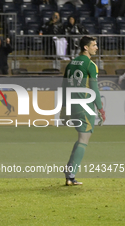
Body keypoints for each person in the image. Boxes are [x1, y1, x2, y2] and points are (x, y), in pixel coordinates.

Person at [60, 36, 106, 186]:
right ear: (85, 47)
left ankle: (69, 171)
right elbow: (94, 89)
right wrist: (100, 108)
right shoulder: (90, 65)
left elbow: (64, 87)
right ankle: (70, 175)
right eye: (94, 45)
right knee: (84, 140)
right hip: (85, 106)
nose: (96, 47)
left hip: (73, 105)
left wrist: (64, 109)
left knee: (81, 138)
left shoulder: (70, 64)